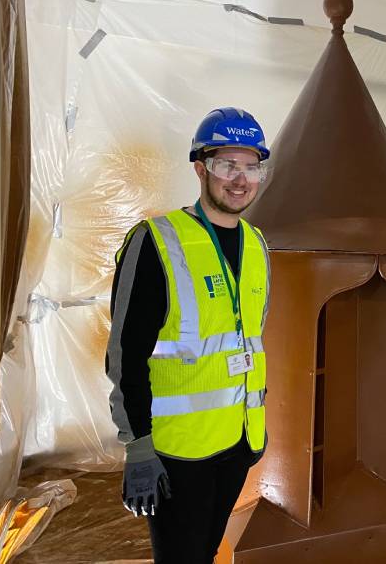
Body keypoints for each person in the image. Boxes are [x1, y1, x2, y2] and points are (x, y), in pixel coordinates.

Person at [106, 107, 272, 564]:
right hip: (176, 452)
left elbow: (247, 340)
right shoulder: (156, 241)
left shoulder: (258, 246)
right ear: (201, 168)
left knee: (204, 553)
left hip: (237, 442)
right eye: (226, 166)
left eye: (251, 166)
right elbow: (126, 353)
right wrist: (137, 445)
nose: (240, 180)